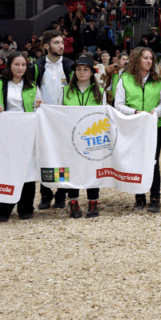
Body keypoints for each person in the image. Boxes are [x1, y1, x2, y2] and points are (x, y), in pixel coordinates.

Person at [115, 47, 161, 214]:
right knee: (137, 161)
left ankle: (155, 197)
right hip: (134, 126)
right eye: (145, 58)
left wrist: (156, 112)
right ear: (137, 59)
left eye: (151, 59)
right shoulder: (125, 79)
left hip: (154, 126)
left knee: (154, 162)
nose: (149, 61)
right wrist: (135, 112)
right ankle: (139, 197)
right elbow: (118, 105)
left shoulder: (158, 80)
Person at [0, 52, 42, 221]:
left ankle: (26, 207)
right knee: (6, 168)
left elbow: (38, 109)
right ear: (9, 65)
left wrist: (38, 107)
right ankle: (3, 208)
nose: (20, 68)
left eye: (23, 65)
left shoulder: (32, 86)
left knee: (27, 169)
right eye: (16, 64)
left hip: (26, 133)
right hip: (4, 132)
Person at [61, 56, 107, 218]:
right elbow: (59, 113)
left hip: (91, 138)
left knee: (92, 168)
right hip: (71, 138)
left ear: (91, 72)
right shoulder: (66, 90)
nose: (81, 72)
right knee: (72, 168)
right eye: (79, 69)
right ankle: (73, 201)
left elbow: (104, 115)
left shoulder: (100, 92)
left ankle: (93, 201)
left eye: (85, 69)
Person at [34, 30, 76, 210]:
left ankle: (61, 194)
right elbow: (33, 88)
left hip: (64, 119)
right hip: (43, 119)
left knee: (63, 156)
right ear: (46, 46)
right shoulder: (37, 66)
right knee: (45, 156)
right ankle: (45, 194)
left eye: (62, 43)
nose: (61, 46)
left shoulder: (69, 65)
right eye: (57, 43)